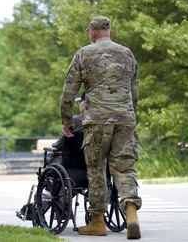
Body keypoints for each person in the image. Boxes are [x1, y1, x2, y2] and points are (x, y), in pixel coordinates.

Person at [59, 16, 142, 239]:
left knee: (96, 169)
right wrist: (129, 115)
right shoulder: (127, 53)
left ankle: (97, 222)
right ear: (110, 33)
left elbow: (69, 92)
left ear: (92, 33)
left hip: (97, 121)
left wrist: (67, 120)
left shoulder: (84, 53)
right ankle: (131, 213)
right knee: (124, 168)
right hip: (125, 119)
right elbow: (134, 92)